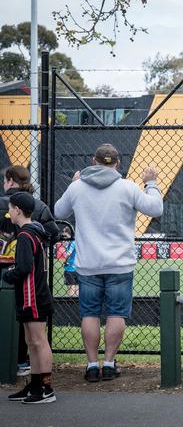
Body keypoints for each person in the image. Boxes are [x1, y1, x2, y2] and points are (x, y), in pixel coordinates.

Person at [54, 144, 163, 382]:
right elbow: (156, 207)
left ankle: (92, 364)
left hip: (88, 263)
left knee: (89, 314)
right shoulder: (127, 187)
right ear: (118, 163)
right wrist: (151, 182)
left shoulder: (78, 187)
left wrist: (73, 184)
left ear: (94, 161)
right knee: (116, 314)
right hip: (120, 263)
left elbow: (58, 211)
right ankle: (109, 363)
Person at [0, 165, 59, 378]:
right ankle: (35, 382)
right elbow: (54, 234)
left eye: (10, 209)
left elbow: (24, 267)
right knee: (31, 340)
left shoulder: (26, 235)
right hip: (30, 287)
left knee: (37, 340)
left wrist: (9, 273)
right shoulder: (36, 229)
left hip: (30, 289)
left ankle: (43, 386)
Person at [62, 228, 79, 297]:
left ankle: (70, 305)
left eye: (65, 236)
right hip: (77, 269)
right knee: (77, 289)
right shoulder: (76, 242)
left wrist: (65, 261)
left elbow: (68, 253)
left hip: (70, 269)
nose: (64, 238)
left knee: (71, 290)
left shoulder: (72, 243)